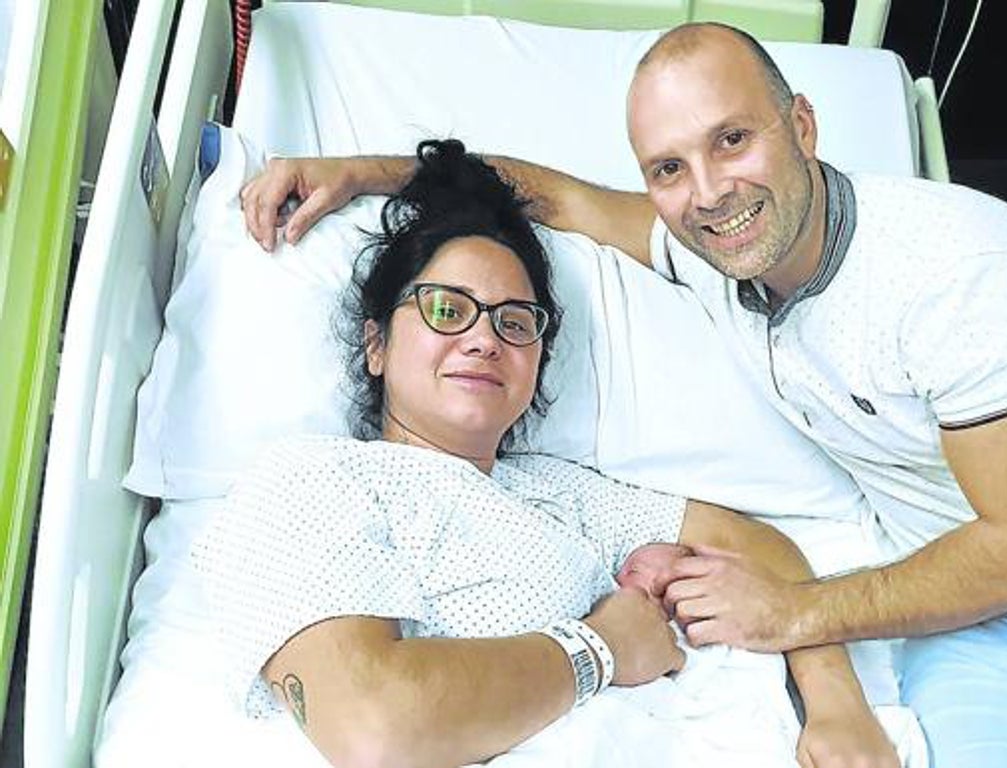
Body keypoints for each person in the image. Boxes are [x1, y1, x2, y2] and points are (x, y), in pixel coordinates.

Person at [239, 22, 1007, 768]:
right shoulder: (709, 257)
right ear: (374, 343)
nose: (708, 192)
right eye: (669, 168)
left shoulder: (956, 272)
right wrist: (365, 169)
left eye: (732, 142)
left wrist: (806, 639)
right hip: (986, 624)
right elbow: (550, 198)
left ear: (801, 124)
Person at [200, 138, 898, 768]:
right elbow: (374, 727)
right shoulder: (313, 479)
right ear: (376, 343)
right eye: (448, 310)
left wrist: (838, 706)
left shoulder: (559, 493)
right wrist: (600, 649)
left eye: (514, 322)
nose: (482, 340)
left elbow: (759, 547)